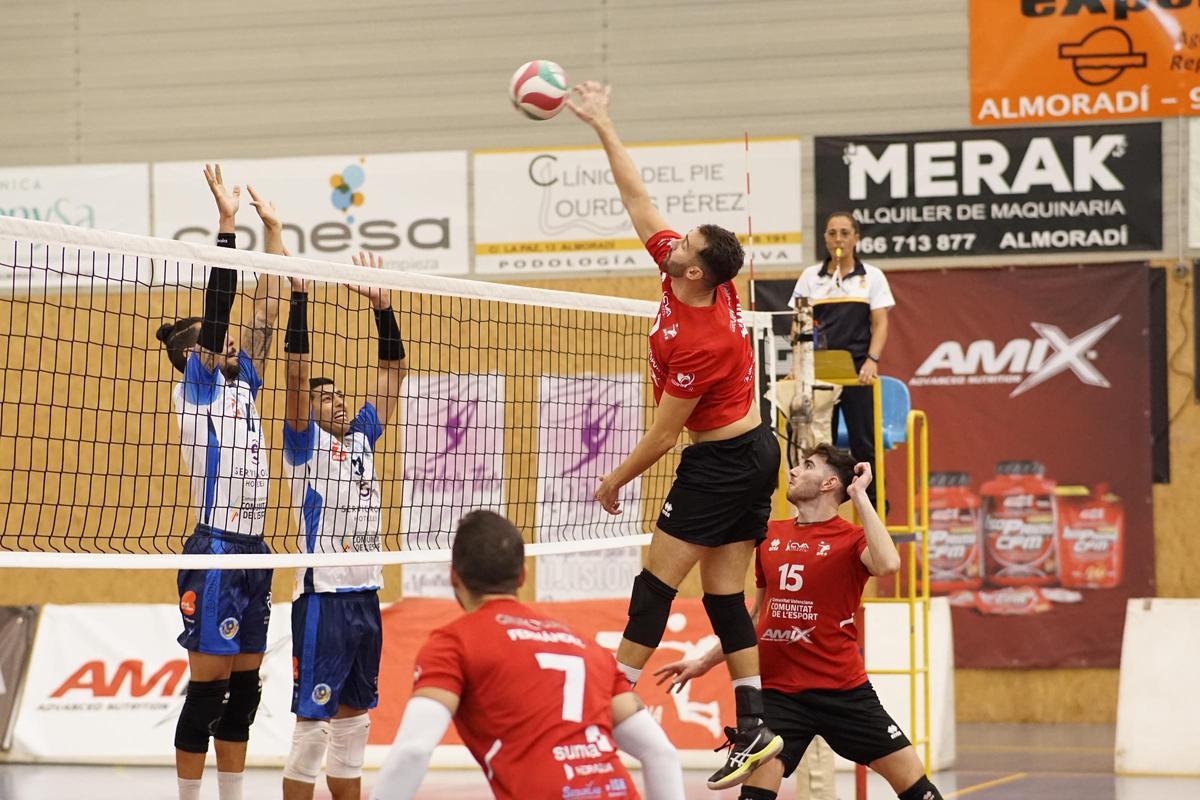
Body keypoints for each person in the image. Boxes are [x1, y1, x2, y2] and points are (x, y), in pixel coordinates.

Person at [567, 80, 782, 789]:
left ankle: (608, 699)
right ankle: (754, 725)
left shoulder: (704, 337)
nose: (671, 239)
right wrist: (602, 121)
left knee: (656, 584)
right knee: (723, 597)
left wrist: (612, 481)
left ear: (695, 271)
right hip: (749, 454)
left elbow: (663, 436)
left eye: (683, 245)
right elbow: (638, 200)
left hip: (721, 461)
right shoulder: (688, 275)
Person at [655, 444, 945, 800]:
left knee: (918, 788)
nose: (793, 471)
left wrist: (859, 496)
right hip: (779, 695)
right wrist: (702, 662)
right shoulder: (769, 535)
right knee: (754, 794)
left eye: (807, 465)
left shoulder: (851, 538)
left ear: (830, 484)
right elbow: (754, 619)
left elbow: (887, 564)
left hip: (843, 691)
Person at [370, 510, 685, 800]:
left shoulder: (453, 643)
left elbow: (413, 750)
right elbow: (661, 753)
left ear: (454, 576)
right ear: (522, 575)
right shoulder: (584, 646)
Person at [155, 164, 285, 800]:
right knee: (206, 693)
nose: (232, 341)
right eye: (217, 340)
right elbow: (223, 305)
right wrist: (227, 225)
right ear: (194, 355)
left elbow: (267, 303)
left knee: (247, 693)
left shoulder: (243, 382)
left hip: (255, 551)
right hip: (214, 549)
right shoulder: (198, 386)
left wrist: (275, 231)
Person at [280, 250, 408, 800]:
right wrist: (301, 298)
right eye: (323, 396)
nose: (334, 401)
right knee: (312, 730)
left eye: (337, 394)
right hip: (323, 596)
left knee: (355, 724)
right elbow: (295, 374)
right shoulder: (301, 446)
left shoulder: (359, 438)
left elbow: (392, 375)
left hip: (364, 595)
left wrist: (383, 309)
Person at [790, 212, 894, 507]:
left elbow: (880, 323)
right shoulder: (810, 277)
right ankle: (819, 510)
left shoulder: (872, 276)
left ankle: (876, 514)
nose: (838, 238)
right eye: (832, 233)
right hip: (819, 376)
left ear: (856, 238)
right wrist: (798, 365)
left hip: (858, 373)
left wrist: (872, 360)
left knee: (865, 445)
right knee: (820, 449)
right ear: (825, 238)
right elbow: (799, 323)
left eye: (845, 233)